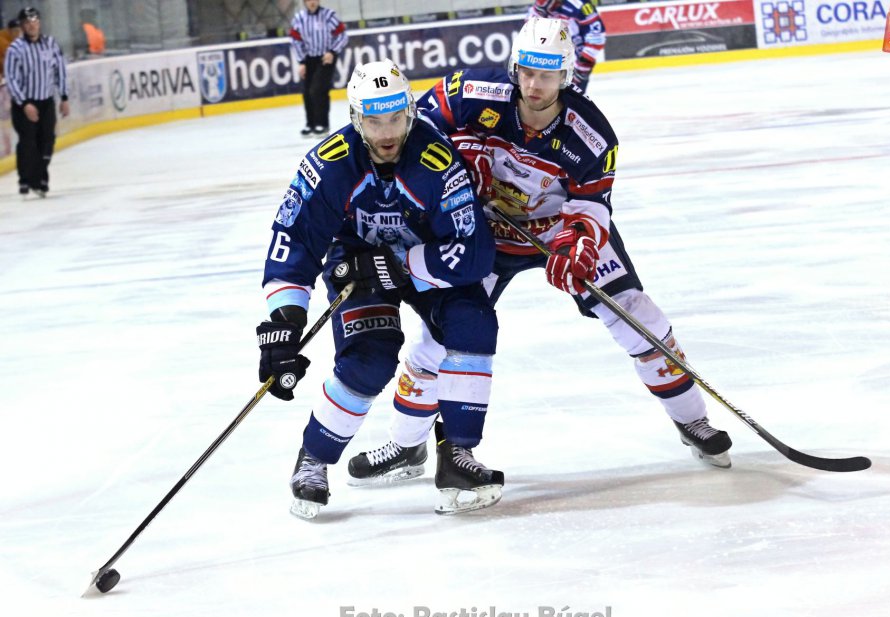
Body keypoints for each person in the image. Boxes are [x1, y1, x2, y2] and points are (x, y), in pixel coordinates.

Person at [347, 18, 733, 486]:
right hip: (483, 235)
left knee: (638, 315)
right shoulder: (470, 92)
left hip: (557, 232)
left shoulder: (592, 134)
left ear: (566, 75)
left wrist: (579, 244)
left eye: (547, 75)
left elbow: (592, 205)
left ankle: (692, 419)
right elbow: (415, 131)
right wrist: (455, 159)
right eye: (527, 72)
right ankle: (407, 445)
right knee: (438, 338)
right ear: (515, 66)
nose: (534, 85)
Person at [258, 59, 503, 519]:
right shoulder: (328, 165)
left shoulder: (437, 159)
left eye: (395, 118)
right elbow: (295, 239)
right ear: (356, 119)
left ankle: (457, 453)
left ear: (410, 111)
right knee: (368, 359)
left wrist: (402, 266)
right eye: (374, 121)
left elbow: (473, 251)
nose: (387, 133)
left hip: (426, 262)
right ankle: (314, 458)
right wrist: (285, 319)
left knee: (473, 323)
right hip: (356, 266)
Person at [3, 7, 69, 198]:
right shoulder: (15, 49)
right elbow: (11, 78)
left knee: (47, 140)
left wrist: (64, 97)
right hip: (24, 103)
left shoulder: (51, 44)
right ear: (22, 26)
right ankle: (28, 180)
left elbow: (60, 71)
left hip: (46, 101)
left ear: (39, 23)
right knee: (28, 142)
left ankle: (37, 177)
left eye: (34, 22)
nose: (31, 26)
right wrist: (24, 103)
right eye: (27, 23)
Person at [289, 0, 348, 138]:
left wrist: (332, 51)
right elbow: (295, 40)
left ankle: (322, 124)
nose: (312, 2)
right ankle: (311, 124)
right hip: (308, 59)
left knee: (318, 90)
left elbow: (342, 35)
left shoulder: (329, 15)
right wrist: (301, 61)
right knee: (307, 92)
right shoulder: (299, 18)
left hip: (326, 58)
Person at [527, 0, 605, 92]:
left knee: (573, 95)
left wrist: (586, 57)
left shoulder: (579, 5)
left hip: (577, 55)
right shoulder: (540, 5)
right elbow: (530, 27)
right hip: (553, 55)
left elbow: (597, 33)